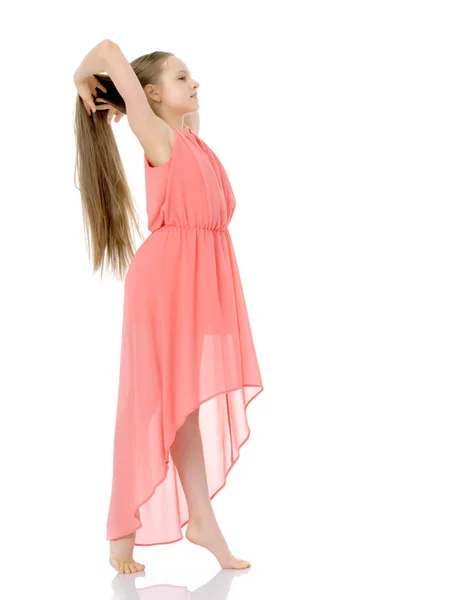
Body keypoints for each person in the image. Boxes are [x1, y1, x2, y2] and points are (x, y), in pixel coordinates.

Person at [73, 39, 264, 575]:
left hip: (201, 279)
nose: (195, 83)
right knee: (151, 403)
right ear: (151, 94)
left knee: (185, 404)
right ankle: (122, 532)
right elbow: (107, 50)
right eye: (183, 78)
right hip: (168, 282)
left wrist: (127, 97)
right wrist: (84, 80)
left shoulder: (189, 138)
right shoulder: (156, 134)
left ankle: (200, 520)